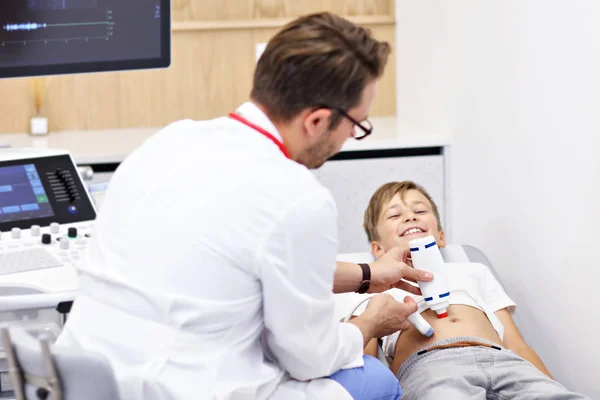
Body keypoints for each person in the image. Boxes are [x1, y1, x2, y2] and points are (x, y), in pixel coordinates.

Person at [56, 12, 433, 400]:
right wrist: (370, 322)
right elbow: (310, 358)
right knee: (376, 381)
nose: (351, 136)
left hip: (80, 379)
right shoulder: (297, 196)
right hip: (175, 389)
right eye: (357, 125)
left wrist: (369, 274)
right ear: (318, 120)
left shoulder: (169, 141)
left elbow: (242, 264)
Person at [355, 180, 591, 399]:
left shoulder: (474, 271)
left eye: (420, 211)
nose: (410, 218)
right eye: (395, 215)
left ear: (441, 237)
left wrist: (550, 385)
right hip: (432, 367)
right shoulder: (376, 287)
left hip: (503, 359)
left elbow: (515, 342)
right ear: (378, 250)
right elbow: (364, 360)